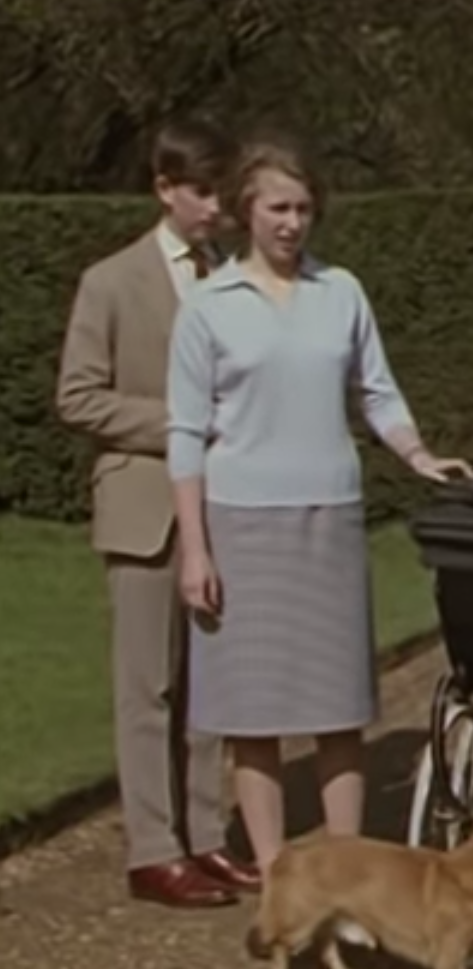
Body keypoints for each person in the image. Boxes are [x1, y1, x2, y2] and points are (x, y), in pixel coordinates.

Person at [165, 133, 471, 876]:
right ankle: (276, 873)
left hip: (328, 520)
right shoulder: (208, 306)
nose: (292, 222)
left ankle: (346, 870)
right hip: (241, 524)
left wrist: (416, 452)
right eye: (277, 207)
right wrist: (197, 547)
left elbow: (377, 389)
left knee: (338, 707)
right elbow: (185, 429)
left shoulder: (343, 291)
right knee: (253, 711)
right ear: (245, 210)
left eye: (303, 208)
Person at [55, 119, 257, 908]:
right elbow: (77, 395)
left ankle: (204, 835)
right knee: (148, 688)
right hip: (143, 506)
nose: (215, 207)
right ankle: (152, 847)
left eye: (221, 191)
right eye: (202, 191)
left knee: (209, 684)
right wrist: (179, 422)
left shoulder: (231, 276)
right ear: (164, 189)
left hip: (221, 504)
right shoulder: (111, 281)